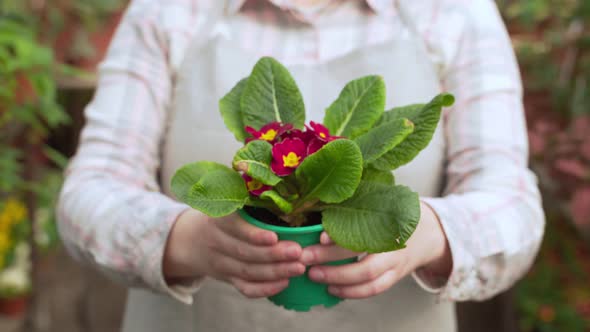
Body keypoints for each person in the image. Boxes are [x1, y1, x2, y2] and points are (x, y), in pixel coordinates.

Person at [57, 0, 545, 331]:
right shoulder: (169, 10)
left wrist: (427, 235)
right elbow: (92, 187)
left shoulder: (454, 12)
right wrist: (184, 239)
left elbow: (512, 201)